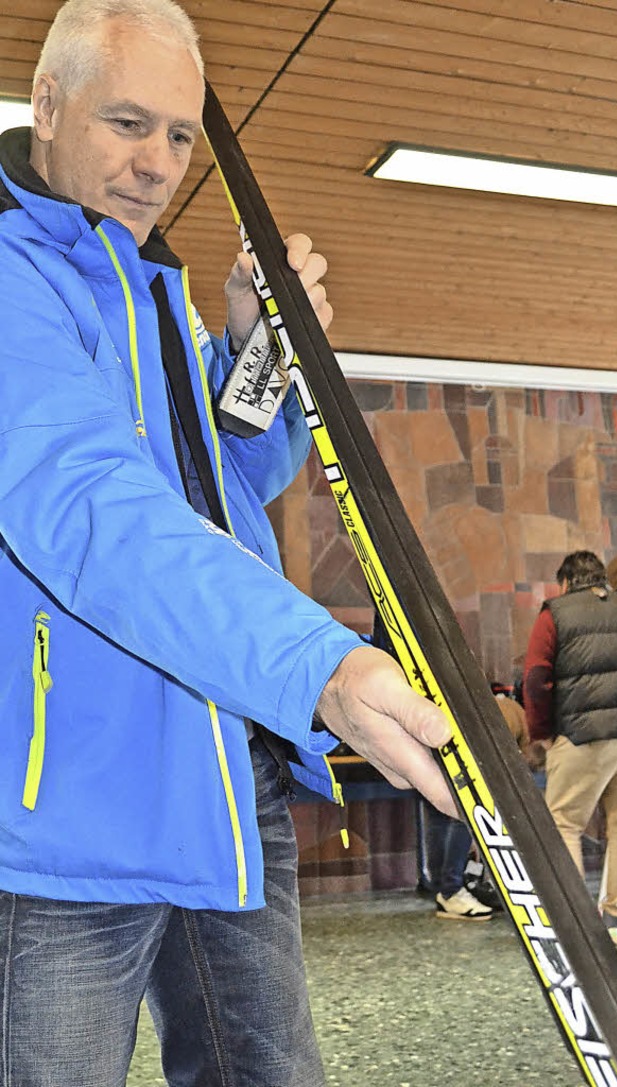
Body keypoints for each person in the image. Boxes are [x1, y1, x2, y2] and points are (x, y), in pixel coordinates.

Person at [0, 2, 456, 1084]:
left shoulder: (154, 290)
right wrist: (317, 666)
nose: (157, 163)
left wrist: (251, 350)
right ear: (48, 104)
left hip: (223, 781)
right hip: (70, 809)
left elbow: (228, 486)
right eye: (127, 123)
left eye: (179, 136)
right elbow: (94, 509)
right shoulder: (14, 283)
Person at [523, 550, 617, 948]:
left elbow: (537, 678)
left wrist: (541, 732)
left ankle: (576, 925)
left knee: (564, 824)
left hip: (583, 736)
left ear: (566, 582)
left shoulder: (555, 612)